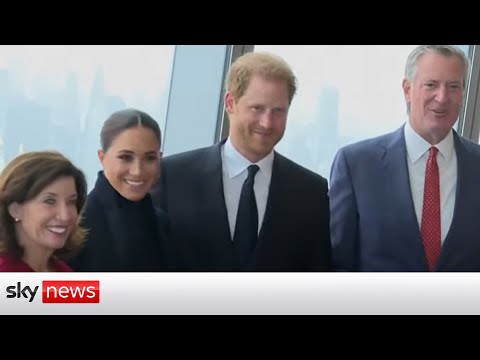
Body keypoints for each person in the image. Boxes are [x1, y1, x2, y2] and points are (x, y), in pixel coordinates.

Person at [151, 52, 331, 271]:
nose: (267, 123)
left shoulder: (311, 192)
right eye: (257, 108)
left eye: (278, 111)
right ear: (230, 103)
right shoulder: (173, 177)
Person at [329, 45, 480, 271]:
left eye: (453, 86)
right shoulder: (357, 165)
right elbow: (337, 263)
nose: (442, 97)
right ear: (407, 89)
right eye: (431, 85)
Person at [69, 108, 171, 271]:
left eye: (150, 158)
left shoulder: (162, 224)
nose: (137, 170)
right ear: (101, 158)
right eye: (125, 157)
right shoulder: (75, 226)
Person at [0, 151, 87, 272]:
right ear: (15, 210)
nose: (65, 216)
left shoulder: (63, 271)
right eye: (49, 201)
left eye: (71, 202)